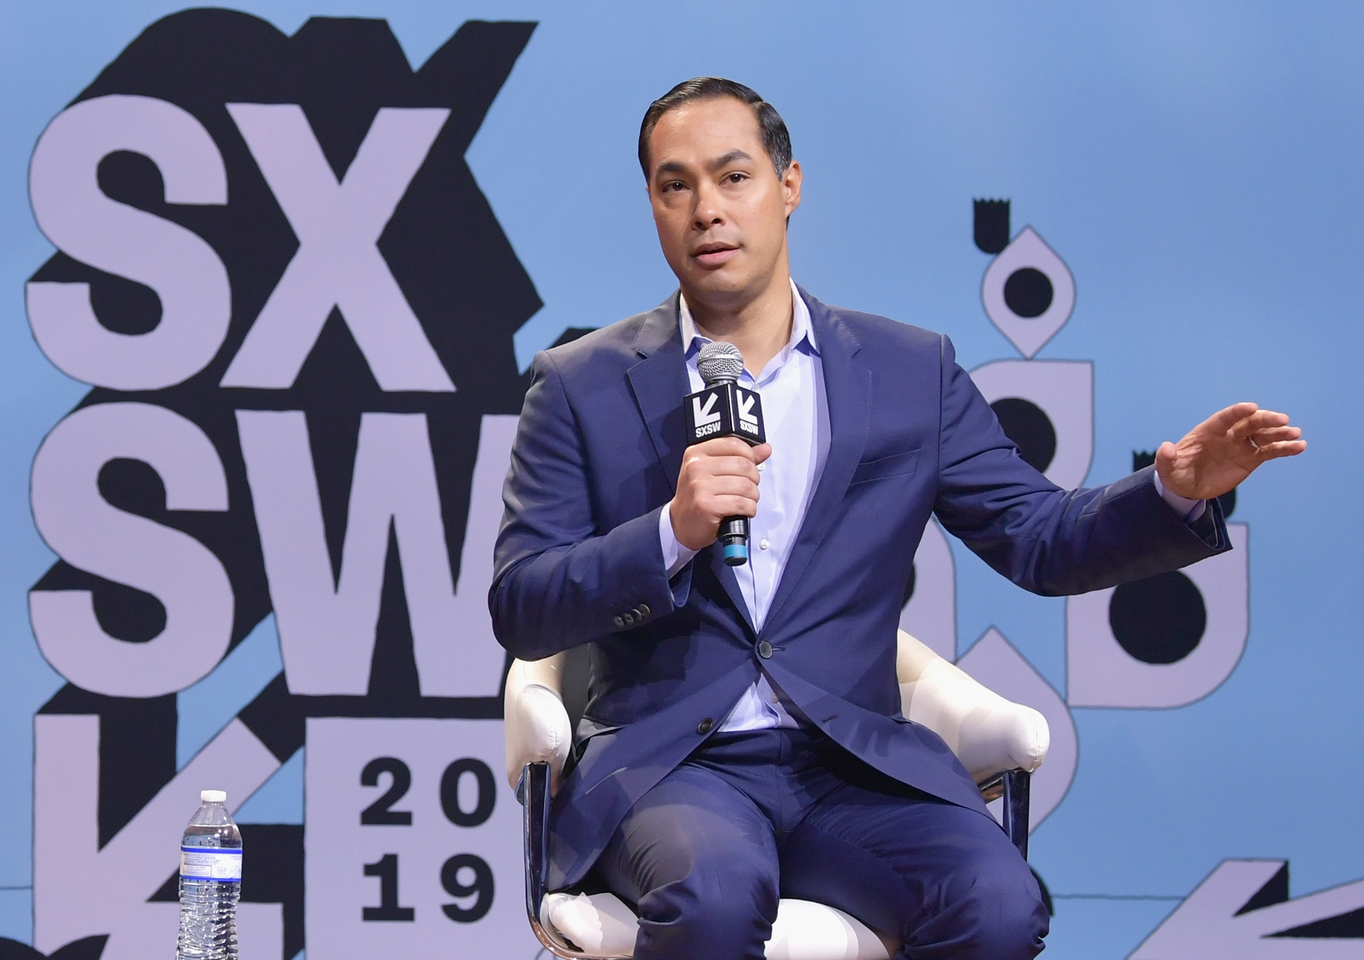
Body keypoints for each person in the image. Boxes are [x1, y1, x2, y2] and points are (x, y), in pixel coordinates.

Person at [490, 77, 1304, 960]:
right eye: (674, 186)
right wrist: (671, 534)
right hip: (672, 769)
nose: (706, 212)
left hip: (848, 765)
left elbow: (1039, 538)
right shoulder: (580, 385)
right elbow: (524, 603)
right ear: (651, 203)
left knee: (996, 903)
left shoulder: (909, 371)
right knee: (714, 895)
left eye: (734, 178)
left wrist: (1175, 490)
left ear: (790, 184)